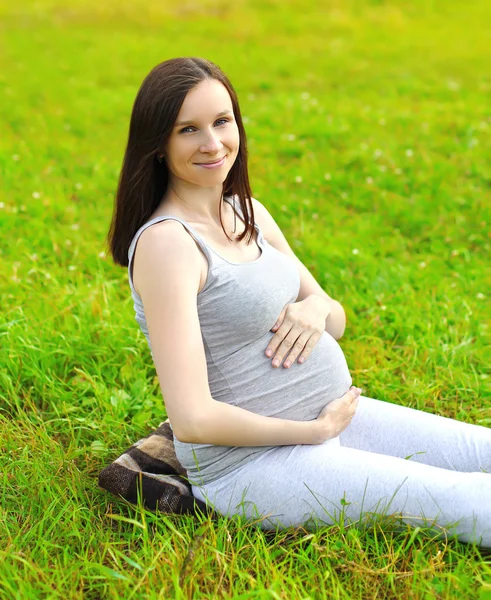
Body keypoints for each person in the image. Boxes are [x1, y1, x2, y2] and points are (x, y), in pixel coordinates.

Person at [107, 57, 491, 547]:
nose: (212, 143)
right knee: (470, 500)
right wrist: (310, 432)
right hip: (253, 465)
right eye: (188, 130)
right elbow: (192, 419)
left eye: (222, 122)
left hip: (336, 416)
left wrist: (315, 307)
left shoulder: (249, 213)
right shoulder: (169, 246)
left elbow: (336, 320)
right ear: (158, 144)